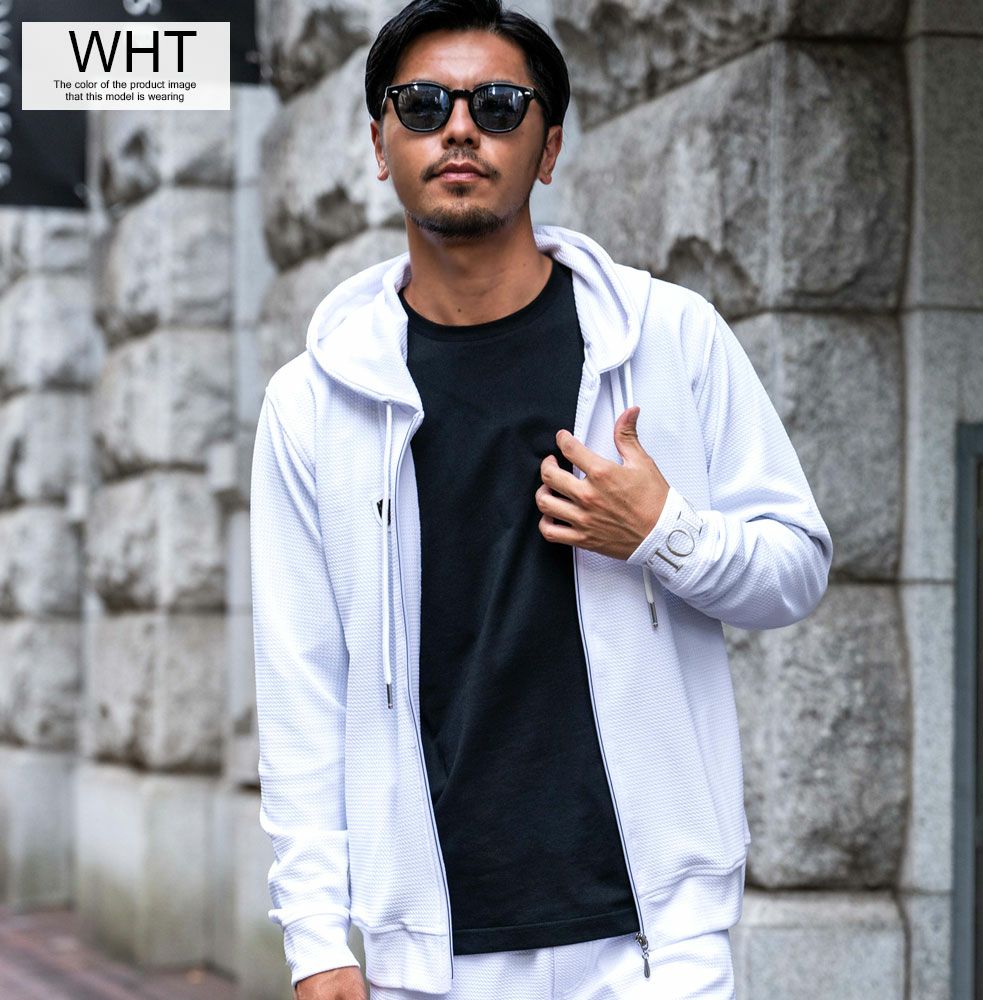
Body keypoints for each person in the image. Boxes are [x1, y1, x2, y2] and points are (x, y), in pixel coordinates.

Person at [249, 1, 833, 997]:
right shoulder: (314, 402)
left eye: (498, 106)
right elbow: (303, 680)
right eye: (423, 105)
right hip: (424, 952)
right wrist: (317, 938)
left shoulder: (667, 337)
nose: (459, 129)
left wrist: (663, 532)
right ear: (380, 147)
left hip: (649, 943)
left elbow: (797, 569)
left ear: (549, 147)